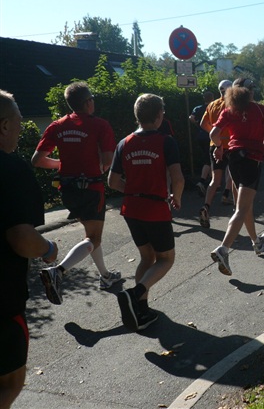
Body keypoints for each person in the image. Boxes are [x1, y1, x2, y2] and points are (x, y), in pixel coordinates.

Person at [32, 82, 120, 305]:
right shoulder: (100, 125)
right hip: (91, 189)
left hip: (68, 190)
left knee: (91, 235)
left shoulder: (57, 125)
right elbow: (107, 161)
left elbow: (37, 160)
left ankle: (105, 276)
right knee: (94, 237)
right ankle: (58, 271)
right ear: (88, 102)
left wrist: (63, 164)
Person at [0, 90, 59, 409]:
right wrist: (48, 248)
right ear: (4, 125)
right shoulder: (11, 169)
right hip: (2, 303)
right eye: (20, 122)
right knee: (9, 383)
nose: (22, 129)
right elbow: (21, 236)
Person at [108, 94, 184, 331]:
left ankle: (140, 309)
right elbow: (178, 178)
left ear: (137, 116)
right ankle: (135, 294)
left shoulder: (124, 143)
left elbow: (112, 181)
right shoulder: (166, 141)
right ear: (159, 116)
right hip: (155, 209)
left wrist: (133, 191)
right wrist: (176, 197)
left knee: (146, 257)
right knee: (166, 259)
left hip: (131, 208)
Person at [209, 78, 264, 276]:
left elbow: (213, 134)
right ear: (250, 92)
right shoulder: (261, 110)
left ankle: (256, 241)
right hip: (251, 159)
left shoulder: (229, 110)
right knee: (241, 208)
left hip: (234, 159)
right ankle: (223, 249)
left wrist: (219, 147)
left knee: (244, 205)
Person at [199, 80, 235, 228]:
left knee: (215, 180)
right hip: (231, 145)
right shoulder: (233, 105)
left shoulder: (212, 105)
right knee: (233, 175)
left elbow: (203, 124)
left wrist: (215, 134)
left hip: (215, 145)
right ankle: (236, 207)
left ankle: (206, 206)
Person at [190, 91, 215, 196]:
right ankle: (202, 181)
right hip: (210, 135)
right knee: (209, 160)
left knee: (207, 157)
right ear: (212, 98)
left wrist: (197, 124)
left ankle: (210, 180)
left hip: (200, 136)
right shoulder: (214, 107)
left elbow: (191, 118)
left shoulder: (198, 108)